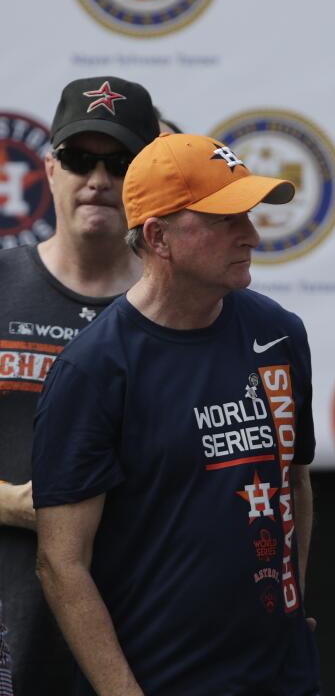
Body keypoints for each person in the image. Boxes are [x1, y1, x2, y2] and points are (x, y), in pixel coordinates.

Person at [31, 134, 320, 695]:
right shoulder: (93, 369)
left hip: (284, 678)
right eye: (226, 218)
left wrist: (291, 608)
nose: (253, 235)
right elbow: (60, 564)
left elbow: (296, 483)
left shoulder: (278, 333)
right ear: (159, 236)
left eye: (251, 215)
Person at [0, 76, 158, 695]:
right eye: (78, 158)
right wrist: (13, 504)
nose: (97, 178)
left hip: (142, 620)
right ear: (48, 166)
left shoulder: (181, 304)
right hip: (12, 618)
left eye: (119, 162)